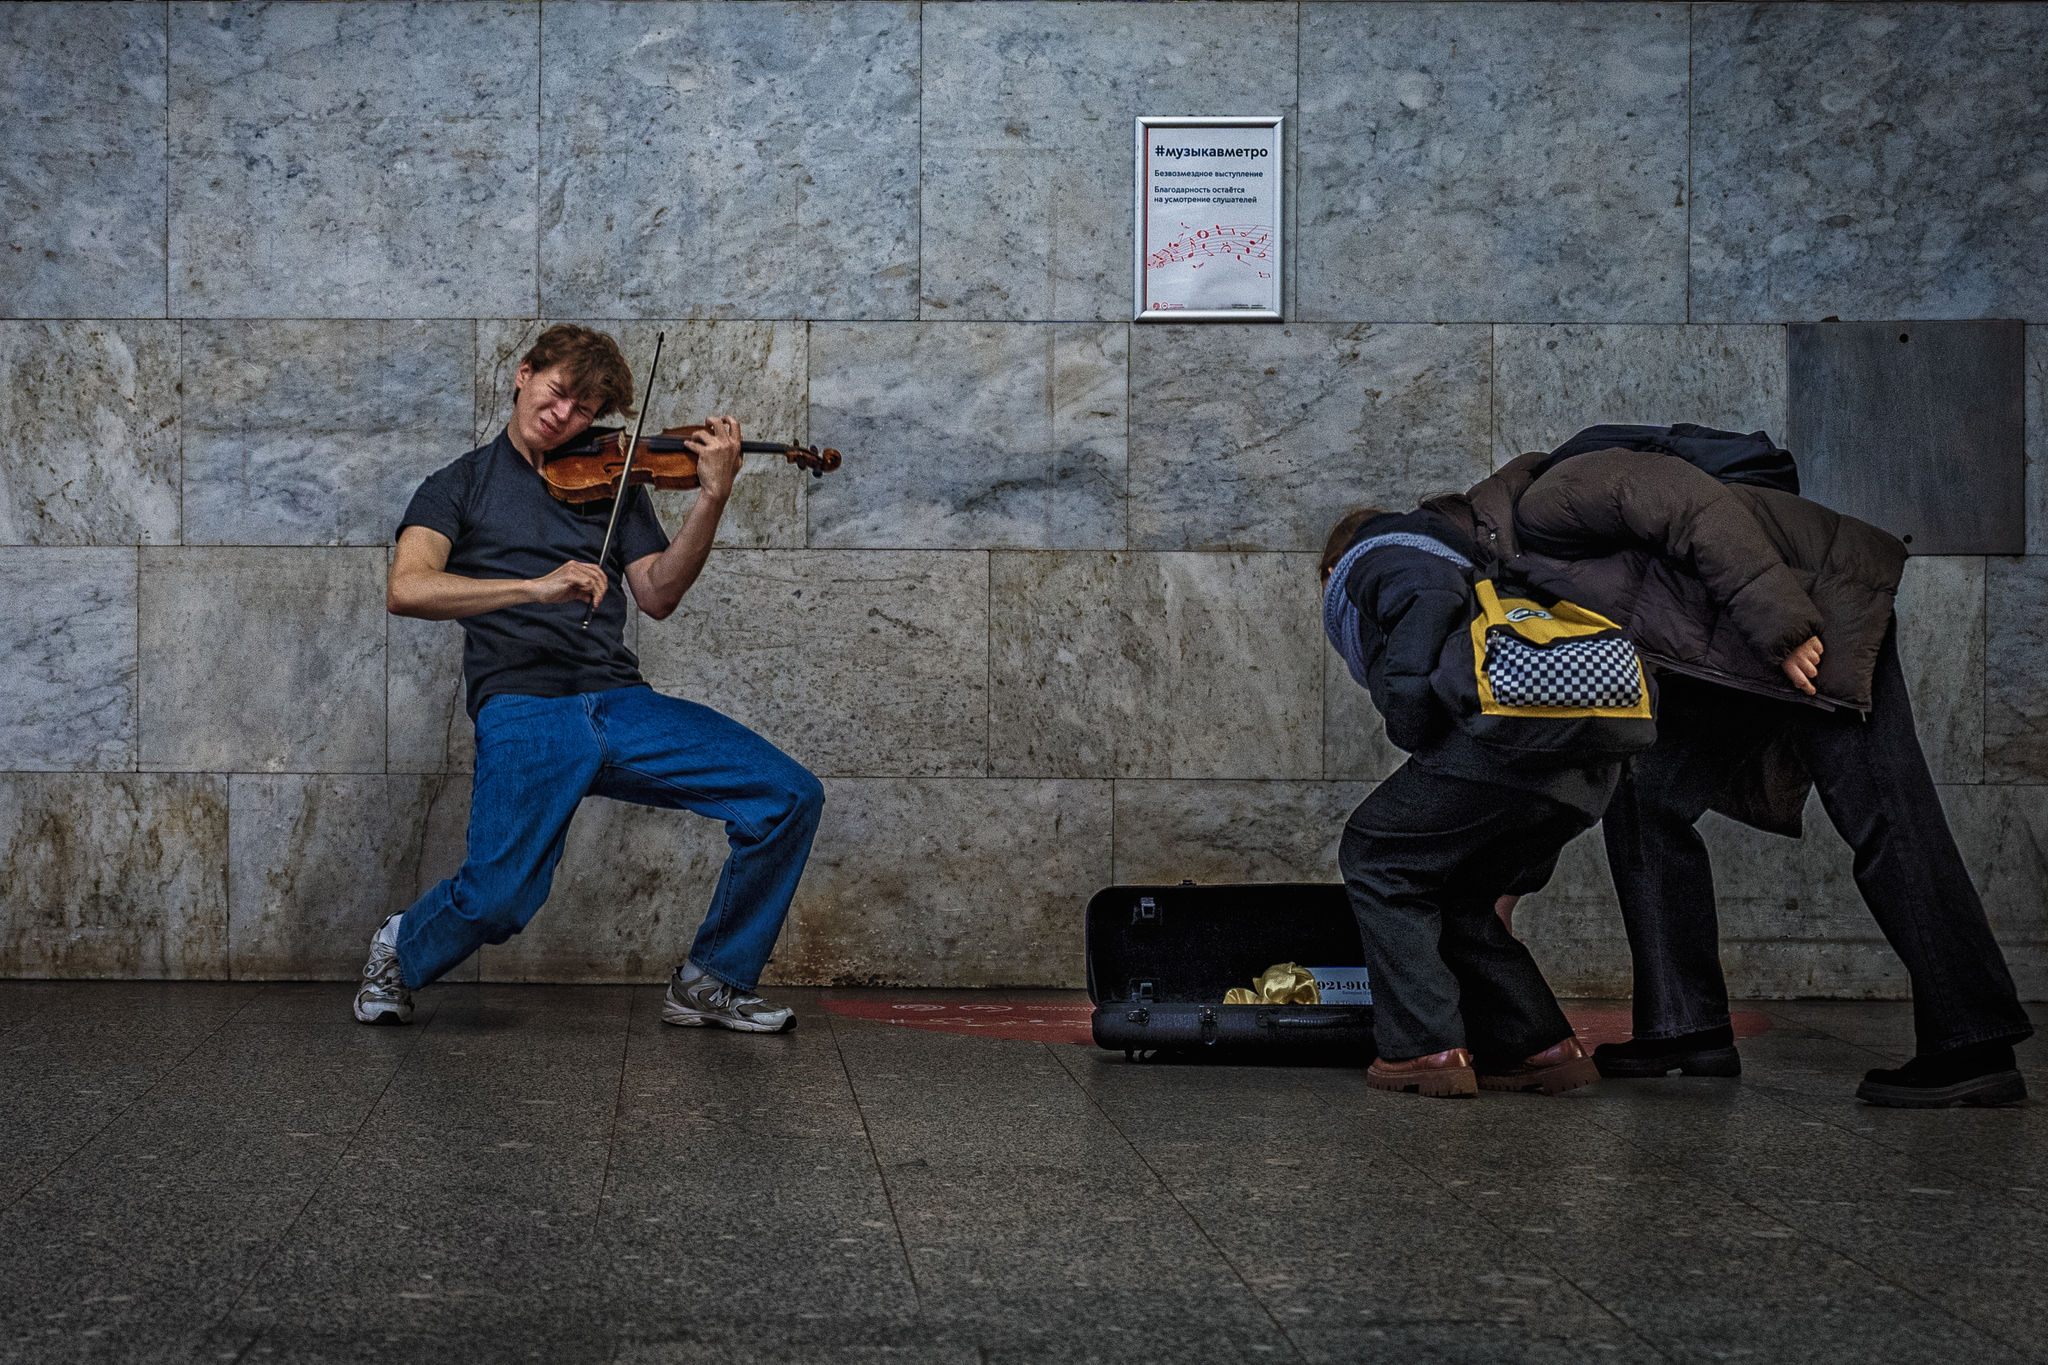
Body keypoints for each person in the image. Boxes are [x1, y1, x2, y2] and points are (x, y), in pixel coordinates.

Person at [1467, 432, 2033, 1106]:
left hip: (1813, 614)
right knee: (1643, 793)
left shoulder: (1546, 501)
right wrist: (1507, 885)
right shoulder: (1521, 578)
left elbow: (1689, 503)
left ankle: (1973, 1037)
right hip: (1737, 653)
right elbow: (1556, 735)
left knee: (1883, 812)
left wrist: (1784, 623)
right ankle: (1685, 1024)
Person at [355, 324, 824, 1033]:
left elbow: (659, 594)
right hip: (524, 705)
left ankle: (713, 979)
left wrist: (711, 499)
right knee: (499, 902)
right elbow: (407, 588)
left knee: (788, 795)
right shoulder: (459, 485)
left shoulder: (615, 480)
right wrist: (534, 588)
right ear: (523, 374)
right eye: (557, 392)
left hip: (618, 700)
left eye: (584, 409)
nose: (565, 415)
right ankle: (399, 945)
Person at [1322, 501, 1608, 1099]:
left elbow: (1423, 605)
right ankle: (1539, 1045)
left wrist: (1417, 730)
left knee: (1376, 856)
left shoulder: (1380, 553)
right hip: (1588, 761)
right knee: (1459, 893)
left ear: (1331, 572)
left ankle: (1424, 1049)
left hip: (1504, 743)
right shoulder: (1481, 568)